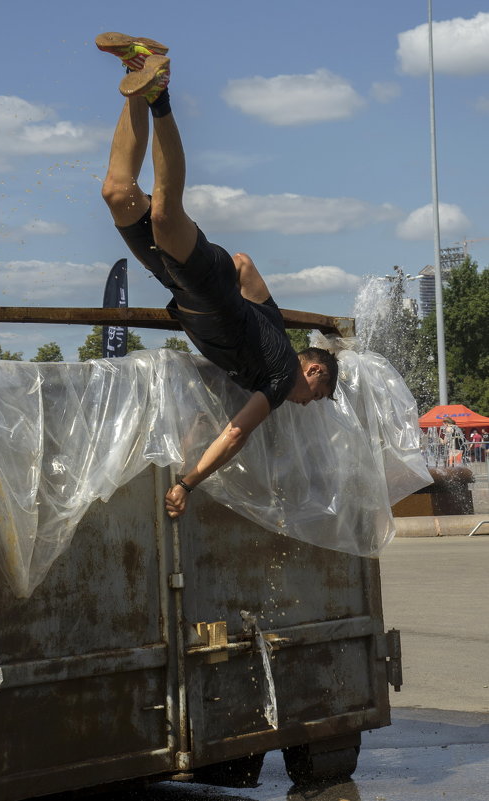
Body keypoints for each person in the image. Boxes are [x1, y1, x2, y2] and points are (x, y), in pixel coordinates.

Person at [96, 33, 338, 518]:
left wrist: (228, 287)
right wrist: (186, 482)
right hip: (202, 284)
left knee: (117, 192)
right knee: (164, 213)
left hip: (187, 285)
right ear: (313, 371)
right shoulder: (275, 380)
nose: (308, 405)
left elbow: (245, 263)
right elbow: (235, 433)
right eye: (317, 396)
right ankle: (160, 95)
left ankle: (138, 69)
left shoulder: (272, 322)